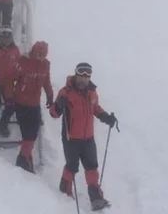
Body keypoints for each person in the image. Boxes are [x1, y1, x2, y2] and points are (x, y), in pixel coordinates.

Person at [49, 62, 117, 211]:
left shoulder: (92, 92)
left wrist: (106, 117)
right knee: (72, 166)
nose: (83, 80)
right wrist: (59, 105)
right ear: (76, 75)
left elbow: (95, 108)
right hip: (71, 137)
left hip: (88, 138)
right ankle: (64, 191)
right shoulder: (66, 92)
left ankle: (96, 197)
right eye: (81, 75)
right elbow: (53, 113)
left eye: (87, 76)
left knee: (92, 167)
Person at [9, 41, 54, 173]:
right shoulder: (23, 61)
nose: (40, 56)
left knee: (32, 135)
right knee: (28, 134)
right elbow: (11, 79)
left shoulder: (46, 65)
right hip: (21, 103)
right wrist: (9, 97)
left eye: (43, 54)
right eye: (38, 53)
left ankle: (24, 159)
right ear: (33, 51)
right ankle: (24, 160)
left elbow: (46, 81)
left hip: (34, 104)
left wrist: (50, 96)